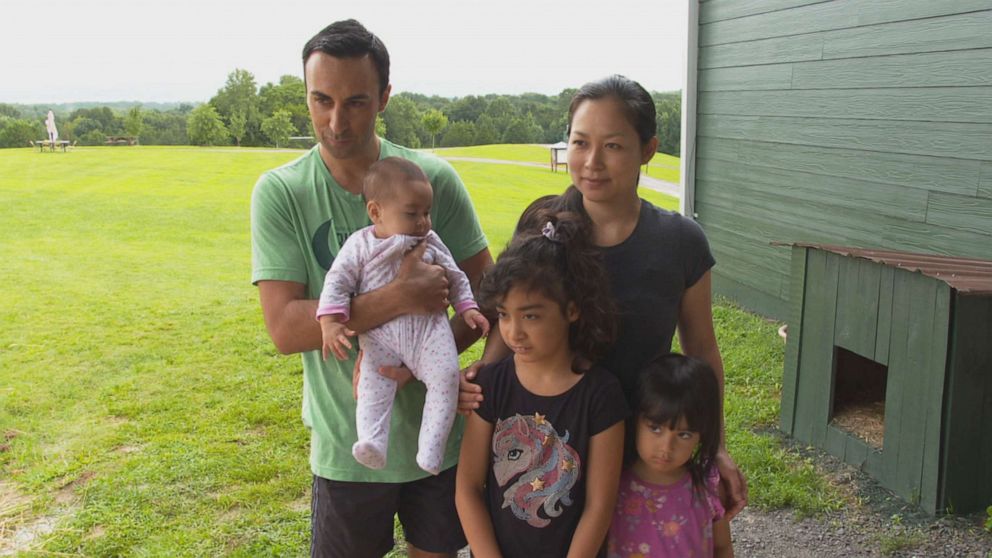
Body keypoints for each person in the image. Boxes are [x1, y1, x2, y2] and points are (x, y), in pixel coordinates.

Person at [251, 19, 495, 558]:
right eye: (321, 100)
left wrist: (428, 360)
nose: (336, 121)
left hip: (439, 444)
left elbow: (488, 293)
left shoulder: (431, 182)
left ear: (385, 96)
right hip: (348, 446)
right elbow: (287, 328)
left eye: (356, 101)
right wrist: (401, 298)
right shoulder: (283, 192)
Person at [460, 74, 748, 518]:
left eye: (612, 146)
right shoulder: (541, 224)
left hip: (639, 449)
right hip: (547, 446)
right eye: (579, 143)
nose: (592, 162)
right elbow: (511, 317)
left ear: (647, 149)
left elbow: (702, 349)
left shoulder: (681, 241)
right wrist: (486, 379)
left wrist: (718, 448)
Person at [455, 210, 627, 558]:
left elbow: (599, 506)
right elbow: (468, 488)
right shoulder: (491, 384)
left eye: (531, 315)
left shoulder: (601, 395)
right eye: (504, 314)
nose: (514, 332)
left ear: (572, 310)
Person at [316, 156, 490, 475]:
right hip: (382, 335)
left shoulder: (430, 241)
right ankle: (371, 441)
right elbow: (338, 280)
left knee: (446, 377)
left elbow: (455, 275)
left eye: (426, 213)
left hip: (429, 333)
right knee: (372, 380)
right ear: (376, 212)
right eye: (412, 213)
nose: (423, 222)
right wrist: (330, 321)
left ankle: (431, 448)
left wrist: (467, 308)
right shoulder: (360, 245)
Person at [607, 353, 733, 558]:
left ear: (702, 434)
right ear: (635, 420)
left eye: (684, 435)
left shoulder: (707, 486)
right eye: (655, 429)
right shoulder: (612, 483)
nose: (666, 447)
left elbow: (723, 547)